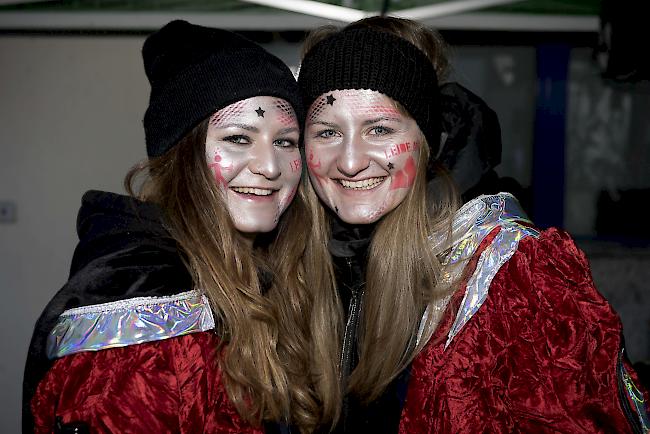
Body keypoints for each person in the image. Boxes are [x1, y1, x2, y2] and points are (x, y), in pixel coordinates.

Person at [297, 16, 650, 433]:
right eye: (327, 133)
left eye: (379, 129)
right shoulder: (295, 261)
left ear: (428, 139)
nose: (351, 161)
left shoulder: (510, 274)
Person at [23, 20, 330, 433]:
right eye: (239, 138)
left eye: (285, 142)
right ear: (182, 156)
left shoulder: (265, 272)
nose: (270, 167)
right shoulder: (144, 317)